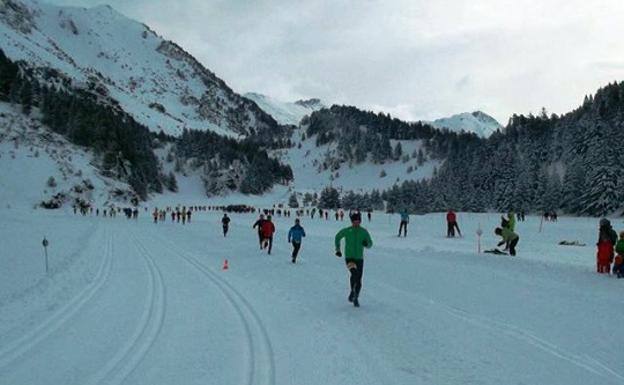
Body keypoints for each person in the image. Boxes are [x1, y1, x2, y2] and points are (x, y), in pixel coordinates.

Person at [335, 211, 373, 307]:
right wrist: (338, 249)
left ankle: (356, 296)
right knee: (354, 273)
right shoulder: (347, 231)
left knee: (359, 279)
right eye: (354, 221)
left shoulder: (363, 232)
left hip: (359, 258)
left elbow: (370, 243)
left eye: (358, 221)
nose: (356, 223)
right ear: (352, 222)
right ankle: (352, 291)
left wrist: (366, 244)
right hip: (349, 258)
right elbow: (337, 237)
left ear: (360, 221)